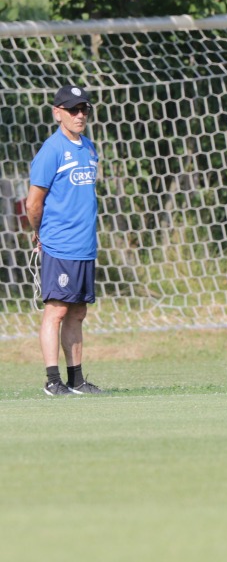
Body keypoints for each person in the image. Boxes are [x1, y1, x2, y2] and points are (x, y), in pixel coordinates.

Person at [26, 85, 104, 396]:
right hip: (60, 244)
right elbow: (34, 202)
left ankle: (77, 380)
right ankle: (52, 381)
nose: (80, 115)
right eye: (73, 109)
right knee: (56, 310)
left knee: (78, 312)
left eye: (84, 109)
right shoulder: (51, 150)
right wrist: (40, 232)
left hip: (85, 245)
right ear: (57, 113)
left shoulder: (88, 147)